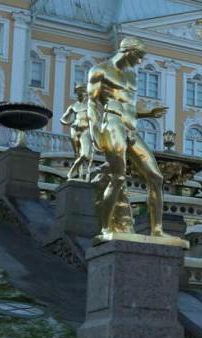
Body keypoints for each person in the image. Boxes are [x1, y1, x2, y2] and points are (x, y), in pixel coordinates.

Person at [86, 37, 169, 238]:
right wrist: (95, 133)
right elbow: (92, 104)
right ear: (128, 51)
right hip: (112, 123)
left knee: (156, 177)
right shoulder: (100, 70)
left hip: (130, 128)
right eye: (138, 56)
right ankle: (105, 228)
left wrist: (148, 114)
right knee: (118, 177)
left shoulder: (131, 77)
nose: (140, 61)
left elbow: (129, 107)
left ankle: (157, 230)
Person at [60, 84, 92, 180]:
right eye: (78, 92)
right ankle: (79, 175)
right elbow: (62, 119)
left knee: (85, 155)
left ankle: (71, 172)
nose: (80, 94)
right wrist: (70, 122)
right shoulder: (73, 106)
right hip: (74, 130)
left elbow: (96, 120)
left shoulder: (90, 105)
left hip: (86, 130)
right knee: (77, 154)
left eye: (82, 92)